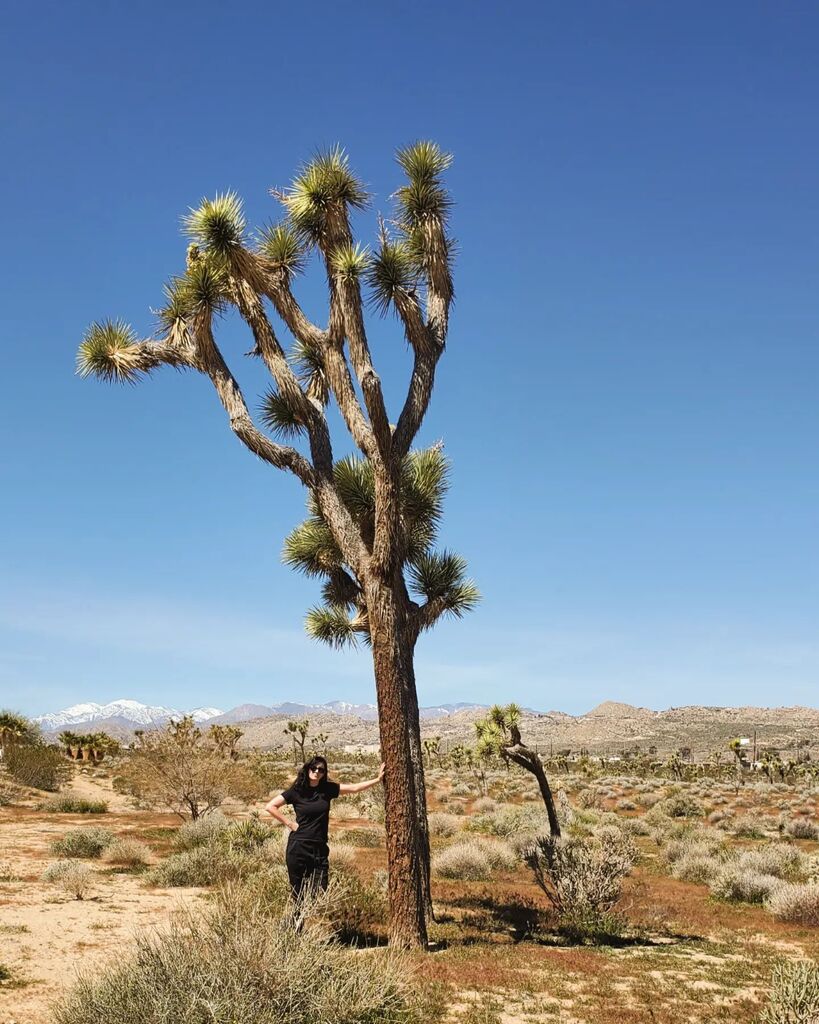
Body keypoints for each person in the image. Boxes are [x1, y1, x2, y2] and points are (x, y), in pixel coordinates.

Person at [263, 755, 385, 902]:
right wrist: (289, 823)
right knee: (298, 896)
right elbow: (270, 806)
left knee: (320, 890)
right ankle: (296, 923)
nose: (316, 772)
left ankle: (304, 918)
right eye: (313, 768)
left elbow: (354, 788)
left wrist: (377, 780)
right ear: (308, 769)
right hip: (298, 848)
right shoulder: (297, 791)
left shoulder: (327, 789)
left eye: (321, 770)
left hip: (319, 848)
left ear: (324, 773)